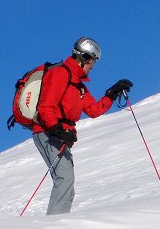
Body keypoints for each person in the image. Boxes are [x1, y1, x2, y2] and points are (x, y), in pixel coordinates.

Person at [32, 37, 133, 215]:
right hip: (48, 133)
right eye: (93, 61)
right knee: (64, 179)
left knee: (67, 184)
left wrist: (112, 93)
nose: (93, 66)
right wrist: (58, 129)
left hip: (60, 135)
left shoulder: (78, 85)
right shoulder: (60, 74)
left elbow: (93, 110)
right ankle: (52, 228)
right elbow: (45, 107)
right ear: (85, 57)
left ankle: (59, 222)